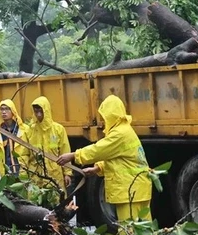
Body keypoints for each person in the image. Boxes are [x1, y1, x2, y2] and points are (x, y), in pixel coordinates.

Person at [56, 94, 152, 222]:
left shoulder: (119, 133)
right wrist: (97, 169)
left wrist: (73, 155)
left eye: (105, 116)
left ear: (111, 115)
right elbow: (121, 161)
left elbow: (98, 150)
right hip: (137, 188)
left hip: (129, 191)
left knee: (129, 233)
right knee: (144, 232)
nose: (104, 120)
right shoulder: (125, 130)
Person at [23, 96, 72, 205]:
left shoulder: (58, 129)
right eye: (35, 110)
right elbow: (24, 154)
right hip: (35, 175)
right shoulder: (30, 130)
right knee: (35, 204)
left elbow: (65, 151)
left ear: (46, 110)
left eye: (40, 110)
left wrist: (67, 173)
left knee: (56, 204)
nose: (38, 113)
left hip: (54, 175)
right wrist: (23, 175)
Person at [0, 99, 27, 185]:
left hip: (22, 171)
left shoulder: (24, 130)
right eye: (1, 109)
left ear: (12, 111)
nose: (3, 112)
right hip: (6, 173)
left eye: (7, 109)